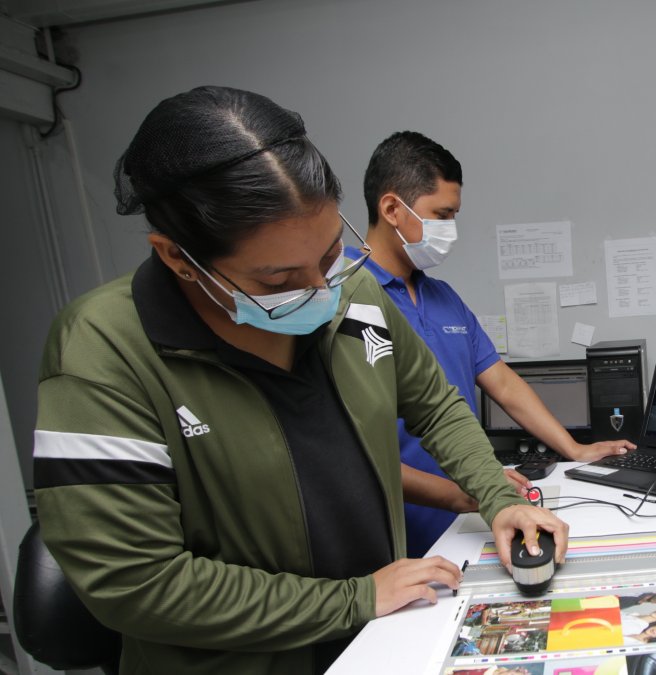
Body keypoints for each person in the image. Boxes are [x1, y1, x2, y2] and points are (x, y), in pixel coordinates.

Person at [31, 86, 567, 675]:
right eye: (278, 277)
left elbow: (434, 404)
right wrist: (354, 599)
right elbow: (137, 582)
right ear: (177, 257)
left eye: (332, 254)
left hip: (381, 640)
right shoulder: (104, 350)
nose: (322, 290)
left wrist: (496, 497)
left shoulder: (352, 292)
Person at [353, 131, 635, 555]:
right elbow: (350, 454)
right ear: (392, 208)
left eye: (454, 216)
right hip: (400, 530)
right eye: (441, 215)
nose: (450, 230)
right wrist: (468, 492)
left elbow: (502, 383)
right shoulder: (346, 299)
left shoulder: (443, 297)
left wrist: (573, 449)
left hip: (473, 518)